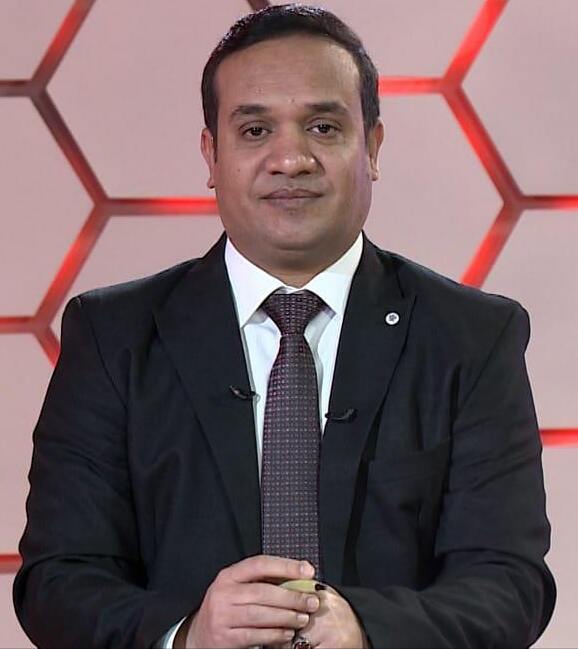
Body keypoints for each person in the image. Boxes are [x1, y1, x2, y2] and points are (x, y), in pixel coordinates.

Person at [13, 5, 556, 648]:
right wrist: (186, 636)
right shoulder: (112, 337)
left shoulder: (473, 337)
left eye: (324, 127)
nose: (291, 159)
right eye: (255, 130)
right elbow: (58, 581)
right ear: (211, 155)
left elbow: (509, 583)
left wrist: (369, 631)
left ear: (372, 147)